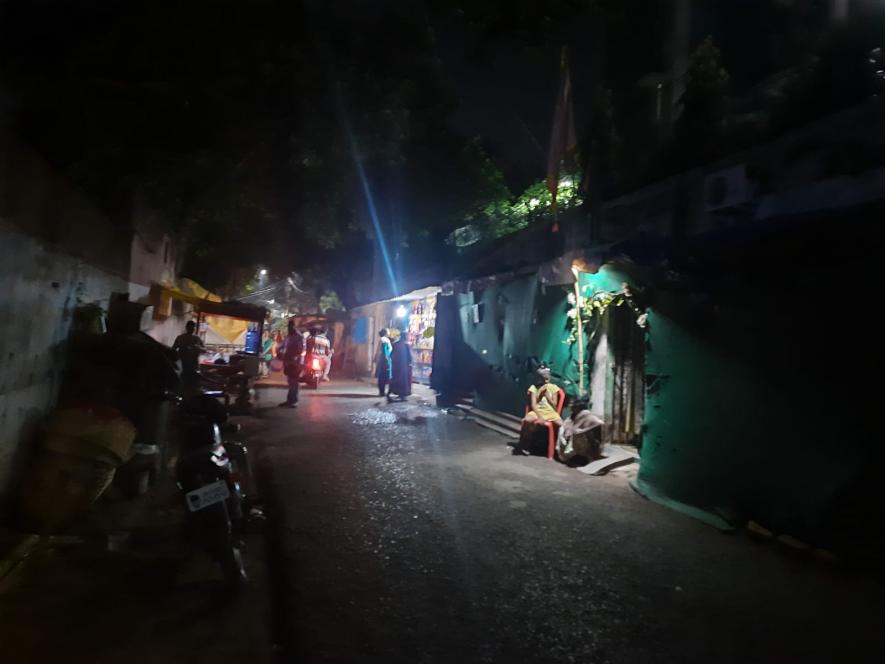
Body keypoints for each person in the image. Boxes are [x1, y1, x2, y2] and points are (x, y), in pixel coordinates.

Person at [516, 366, 563, 455]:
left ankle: (559, 450)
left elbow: (555, 405)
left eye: (547, 378)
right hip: (537, 412)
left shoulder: (553, 388)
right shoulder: (534, 388)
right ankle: (525, 444)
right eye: (544, 379)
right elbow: (533, 405)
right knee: (526, 421)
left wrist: (547, 396)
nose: (546, 381)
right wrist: (540, 416)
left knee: (562, 426)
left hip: (551, 413)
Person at [556, 397, 604, 464]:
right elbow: (566, 430)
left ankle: (590, 458)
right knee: (562, 429)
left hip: (586, 449)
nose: (570, 406)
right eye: (570, 404)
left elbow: (598, 425)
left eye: (573, 405)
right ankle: (570, 456)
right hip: (571, 450)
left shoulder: (586, 415)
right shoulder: (571, 417)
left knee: (582, 434)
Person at [172, 320, 206, 392]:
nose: (192, 329)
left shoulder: (197, 338)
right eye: (190, 327)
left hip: (194, 366)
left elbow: (205, 350)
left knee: (193, 386)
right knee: (183, 385)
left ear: (194, 328)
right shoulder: (180, 338)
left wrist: (198, 347)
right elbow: (173, 350)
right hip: (183, 366)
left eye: (193, 327)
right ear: (187, 328)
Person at [278, 319, 304, 408]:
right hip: (288, 362)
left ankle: (294, 401)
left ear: (294, 326)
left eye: (291, 326)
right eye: (288, 326)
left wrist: (294, 358)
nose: (289, 328)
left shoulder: (298, 337)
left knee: (294, 382)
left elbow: (300, 350)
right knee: (290, 382)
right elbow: (282, 346)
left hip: (295, 363)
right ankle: (290, 400)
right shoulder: (288, 336)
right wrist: (279, 351)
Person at [387, 329, 412, 402]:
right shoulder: (406, 345)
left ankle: (390, 393)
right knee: (403, 381)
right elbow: (409, 357)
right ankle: (402, 396)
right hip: (403, 366)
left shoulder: (395, 344)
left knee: (395, 380)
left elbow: (391, 355)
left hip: (396, 366)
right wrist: (409, 363)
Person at [376, 328, 393, 396]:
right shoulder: (384, 340)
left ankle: (382, 391)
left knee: (382, 376)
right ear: (386, 333)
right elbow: (384, 350)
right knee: (384, 376)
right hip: (385, 360)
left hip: (383, 359)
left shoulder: (382, 339)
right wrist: (386, 359)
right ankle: (382, 391)